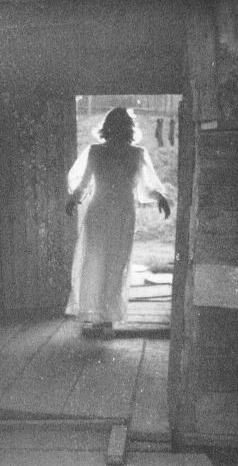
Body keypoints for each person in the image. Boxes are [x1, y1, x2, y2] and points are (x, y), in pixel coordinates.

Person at [65, 107, 170, 338]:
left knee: (116, 264)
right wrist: (73, 199)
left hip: (122, 214)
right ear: (109, 127)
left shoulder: (137, 154)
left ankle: (107, 315)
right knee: (95, 262)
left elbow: (146, 187)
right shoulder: (95, 151)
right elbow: (84, 182)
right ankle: (95, 314)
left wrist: (160, 197)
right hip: (100, 213)